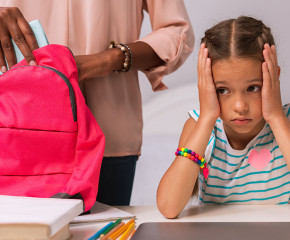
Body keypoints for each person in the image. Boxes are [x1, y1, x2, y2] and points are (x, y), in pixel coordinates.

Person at [0, 1, 194, 205]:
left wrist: (108, 60)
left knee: (106, 235)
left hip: (108, 136)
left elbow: (178, 31)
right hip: (12, 134)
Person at [157, 16, 290, 219]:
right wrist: (206, 118)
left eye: (253, 88)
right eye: (223, 90)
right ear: (206, 85)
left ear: (274, 77)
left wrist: (277, 118)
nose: (239, 106)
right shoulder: (199, 127)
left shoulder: (285, 122)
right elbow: (169, 207)